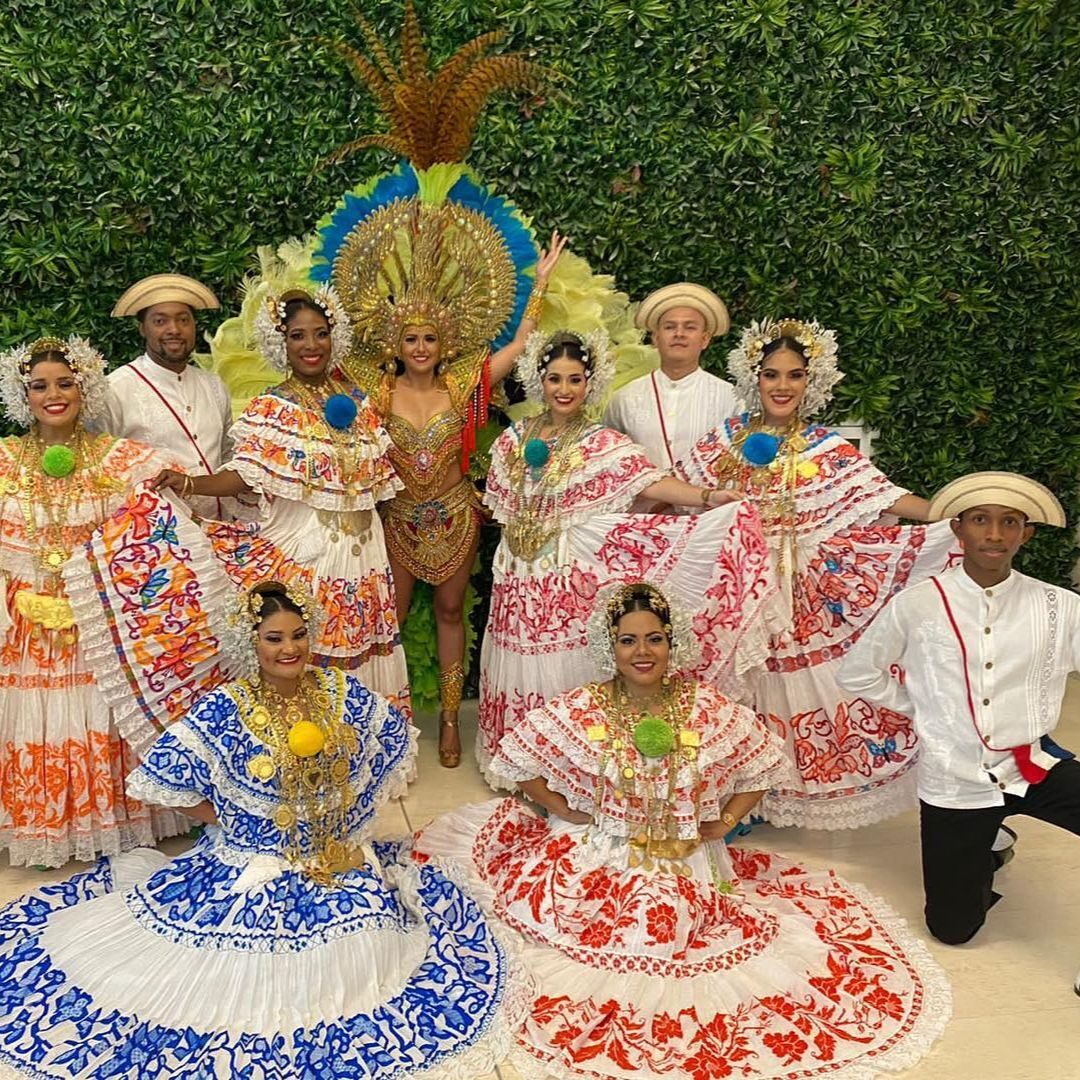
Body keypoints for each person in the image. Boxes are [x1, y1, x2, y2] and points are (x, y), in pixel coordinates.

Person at [416, 582, 950, 1079]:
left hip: (686, 854)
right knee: (600, 932)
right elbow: (518, 762)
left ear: (674, 644)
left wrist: (725, 822)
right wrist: (563, 807)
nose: (642, 652)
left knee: (669, 929)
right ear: (610, 647)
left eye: (654, 639)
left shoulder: (705, 707)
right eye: (627, 640)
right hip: (599, 849)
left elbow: (762, 766)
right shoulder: (584, 705)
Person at [0, 581, 528, 1078]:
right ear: (249, 642)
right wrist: (234, 820)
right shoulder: (226, 708)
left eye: (298, 635)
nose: (290, 648)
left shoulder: (339, 690)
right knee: (225, 981)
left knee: (365, 955)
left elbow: (388, 743)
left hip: (335, 860)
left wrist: (345, 824)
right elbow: (167, 780)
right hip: (249, 866)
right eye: (274, 638)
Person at [679, 317, 959, 829]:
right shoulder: (723, 441)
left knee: (796, 692)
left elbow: (886, 497)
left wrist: (955, 512)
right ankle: (732, 797)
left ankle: (770, 795)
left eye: (794, 375)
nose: (782, 386)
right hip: (734, 594)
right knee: (736, 692)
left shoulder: (824, 447)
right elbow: (674, 491)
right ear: (753, 378)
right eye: (771, 375)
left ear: (812, 381)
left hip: (799, 598)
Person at [478, 328, 779, 783]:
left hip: (562, 580)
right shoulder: (514, 438)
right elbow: (504, 504)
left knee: (560, 665)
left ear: (590, 384)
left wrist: (707, 495)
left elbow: (648, 483)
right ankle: (521, 768)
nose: (564, 390)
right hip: (518, 575)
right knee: (515, 661)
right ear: (539, 380)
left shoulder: (601, 443)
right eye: (555, 378)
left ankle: (565, 772)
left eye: (575, 380)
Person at [837, 472, 1080, 951]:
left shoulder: (1060, 606)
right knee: (953, 930)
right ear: (958, 530)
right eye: (981, 521)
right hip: (955, 780)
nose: (994, 534)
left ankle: (990, 830)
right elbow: (858, 674)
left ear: (1025, 534)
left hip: (1032, 765)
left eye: (1009, 522)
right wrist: (925, 707)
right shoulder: (918, 604)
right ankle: (990, 846)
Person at [364, 230, 567, 768]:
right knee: (395, 620)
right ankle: (394, 725)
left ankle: (451, 722)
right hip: (399, 518)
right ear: (397, 345)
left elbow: (522, 345)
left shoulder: (461, 386)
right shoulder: (379, 395)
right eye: (411, 340)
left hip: (455, 514)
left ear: (442, 344)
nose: (421, 349)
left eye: (429, 339)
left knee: (452, 611)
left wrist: (540, 284)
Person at [154, 287, 410, 711]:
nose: (311, 345)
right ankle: (310, 747)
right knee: (314, 641)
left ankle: (364, 746)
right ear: (280, 343)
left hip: (365, 553)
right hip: (309, 552)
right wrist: (188, 484)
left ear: (335, 336)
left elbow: (372, 484)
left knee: (364, 637)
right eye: (297, 336)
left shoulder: (361, 403)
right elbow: (245, 475)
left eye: (321, 333)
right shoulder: (271, 407)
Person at [0, 336, 189, 867]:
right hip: (28, 619)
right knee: (42, 713)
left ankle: (121, 822)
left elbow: (151, 527)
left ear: (85, 387)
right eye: (39, 386)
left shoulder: (118, 460)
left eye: (65, 383)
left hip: (95, 614)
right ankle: (44, 829)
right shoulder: (6, 461)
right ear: (24, 396)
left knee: (104, 710)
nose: (53, 395)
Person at [99, 273, 233, 519]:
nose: (174, 330)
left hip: (224, 530)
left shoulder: (214, 386)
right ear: (142, 329)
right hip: (157, 541)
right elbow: (102, 471)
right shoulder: (115, 389)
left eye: (183, 320)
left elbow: (227, 456)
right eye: (160, 321)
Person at [604, 283, 738, 478]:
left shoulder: (730, 398)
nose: (679, 334)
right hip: (641, 507)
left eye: (690, 327)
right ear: (656, 338)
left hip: (710, 507)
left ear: (705, 339)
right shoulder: (624, 399)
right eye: (670, 327)